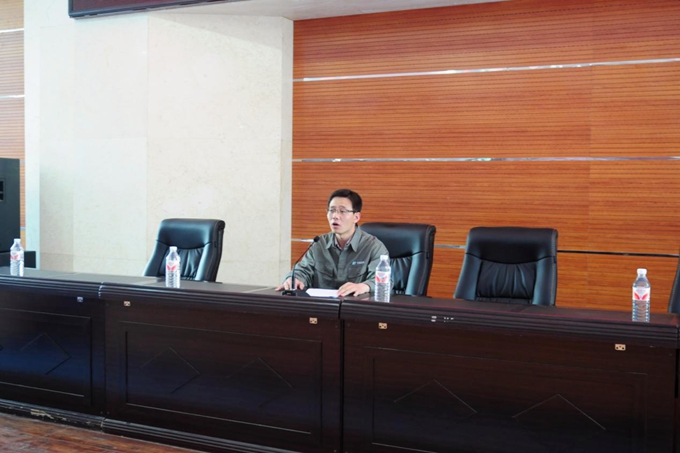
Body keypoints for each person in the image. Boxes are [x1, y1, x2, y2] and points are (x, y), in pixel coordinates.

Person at [276, 188, 388, 297]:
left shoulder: (373, 247)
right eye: (332, 210)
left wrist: (363, 286)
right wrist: (294, 279)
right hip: (322, 307)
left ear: (356, 217)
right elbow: (303, 270)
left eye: (342, 211)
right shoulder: (318, 244)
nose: (335, 216)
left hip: (356, 306)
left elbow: (383, 281)